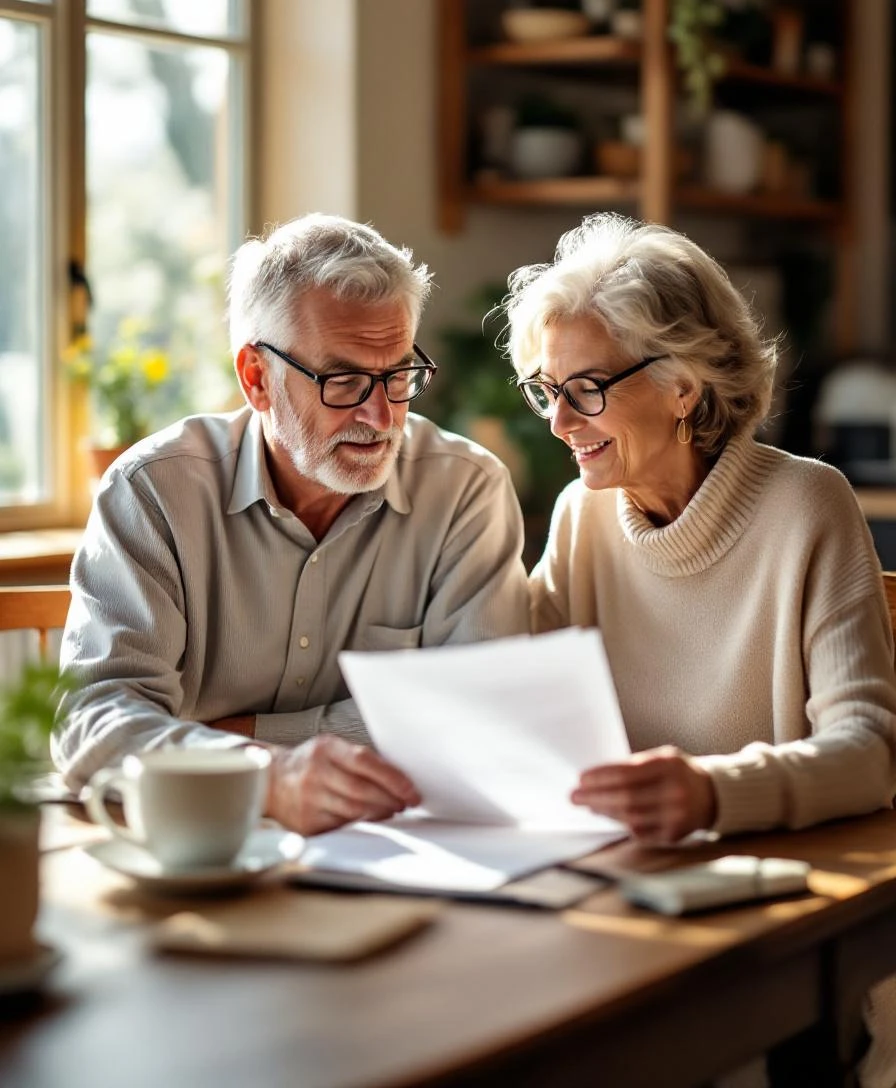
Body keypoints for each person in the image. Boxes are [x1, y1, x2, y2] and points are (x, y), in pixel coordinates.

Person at [502, 212, 896, 1086]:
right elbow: (514, 699)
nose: (560, 422)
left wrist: (709, 792)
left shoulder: (807, 506)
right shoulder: (580, 517)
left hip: (780, 937)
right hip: (627, 912)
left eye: (588, 388)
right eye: (545, 389)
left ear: (683, 384)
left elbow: (868, 755)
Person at [55, 213, 529, 836]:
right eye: (345, 380)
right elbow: (92, 717)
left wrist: (233, 738)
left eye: (397, 376)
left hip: (394, 849)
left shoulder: (465, 490)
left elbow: (480, 712)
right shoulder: (154, 493)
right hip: (199, 843)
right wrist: (265, 776)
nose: (381, 416)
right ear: (256, 378)